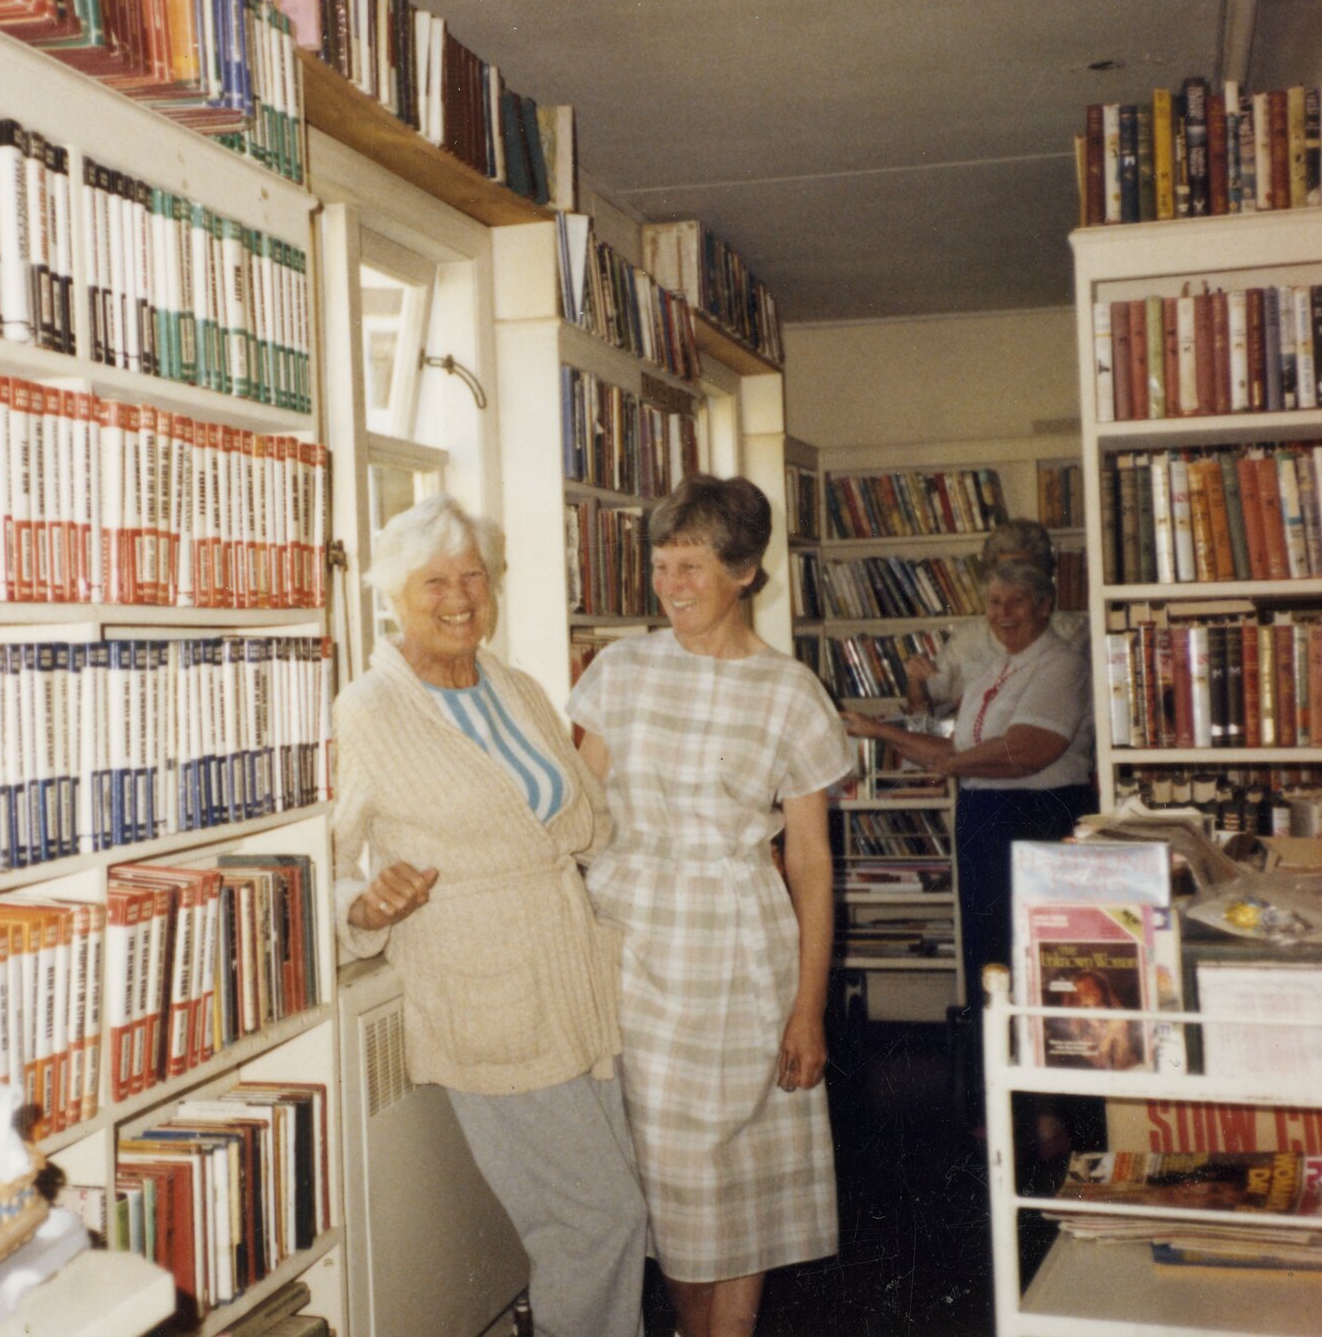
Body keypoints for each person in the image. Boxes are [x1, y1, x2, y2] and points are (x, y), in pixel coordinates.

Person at [331, 494, 646, 1337]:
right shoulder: (367, 709)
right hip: (482, 989)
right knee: (597, 1220)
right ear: (393, 596)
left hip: (573, 974)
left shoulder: (517, 685)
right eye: (433, 580)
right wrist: (361, 906)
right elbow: (321, 863)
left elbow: (584, 821)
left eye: (473, 574)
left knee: (609, 1213)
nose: (458, 595)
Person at [567, 474, 852, 1337]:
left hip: (739, 950)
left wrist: (807, 1009)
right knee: (666, 1178)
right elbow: (577, 814)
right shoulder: (619, 669)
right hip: (628, 947)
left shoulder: (789, 691)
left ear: (744, 573)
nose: (672, 586)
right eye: (660, 567)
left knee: (736, 1171)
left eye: (690, 567)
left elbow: (808, 862)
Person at [844, 558, 1098, 1113]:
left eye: (1016, 601)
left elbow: (1029, 750)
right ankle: (1003, 1102)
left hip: (1038, 816)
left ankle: (1052, 1112)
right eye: (994, 603)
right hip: (985, 814)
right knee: (990, 959)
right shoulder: (994, 670)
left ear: (1044, 605)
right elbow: (954, 748)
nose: (1002, 614)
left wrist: (934, 755)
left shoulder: (1062, 664)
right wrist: (879, 730)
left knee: (1036, 960)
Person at [904, 519, 1088, 720]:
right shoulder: (968, 636)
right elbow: (922, 706)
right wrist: (916, 678)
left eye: (1024, 575)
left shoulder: (1074, 633)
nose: (1012, 583)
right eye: (1004, 574)